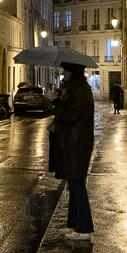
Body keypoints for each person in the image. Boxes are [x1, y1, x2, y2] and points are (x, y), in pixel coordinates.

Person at [49, 62, 94, 241]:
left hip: (77, 143)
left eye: (65, 70)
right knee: (73, 184)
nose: (62, 73)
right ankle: (73, 224)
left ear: (72, 72)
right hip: (73, 142)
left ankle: (84, 228)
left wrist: (56, 103)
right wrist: (60, 98)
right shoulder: (76, 89)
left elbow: (70, 116)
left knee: (77, 184)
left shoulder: (80, 90)